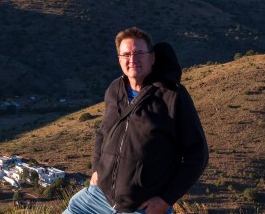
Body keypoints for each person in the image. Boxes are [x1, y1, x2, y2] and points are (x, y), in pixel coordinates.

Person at [64, 27, 209, 214]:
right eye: (126, 55)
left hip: (141, 207)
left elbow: (197, 155)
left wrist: (166, 200)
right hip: (98, 197)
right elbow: (103, 132)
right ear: (119, 59)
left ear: (152, 57)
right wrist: (96, 168)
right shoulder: (114, 89)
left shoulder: (172, 96)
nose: (132, 60)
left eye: (139, 53)